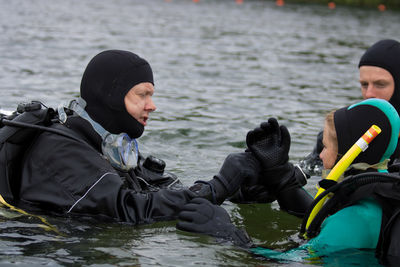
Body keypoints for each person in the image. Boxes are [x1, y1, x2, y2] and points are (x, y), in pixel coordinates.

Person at [0, 50, 259, 224]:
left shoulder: (102, 144)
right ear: (110, 95)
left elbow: (159, 189)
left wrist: (242, 187)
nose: (152, 105)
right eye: (142, 95)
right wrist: (217, 187)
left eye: (151, 95)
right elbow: (130, 209)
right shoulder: (61, 148)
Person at [176, 98, 400, 265]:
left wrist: (227, 235)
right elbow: (317, 218)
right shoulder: (376, 196)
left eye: (326, 147)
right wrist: (281, 177)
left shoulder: (353, 220)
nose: (320, 156)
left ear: (351, 152)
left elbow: (291, 262)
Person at [300, 38, 400, 176]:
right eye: (364, 85)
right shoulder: (340, 133)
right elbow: (308, 174)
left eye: (380, 84)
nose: (369, 94)